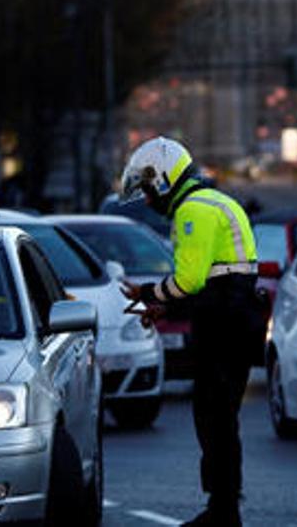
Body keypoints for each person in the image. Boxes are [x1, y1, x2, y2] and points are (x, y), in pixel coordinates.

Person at [119, 137, 264, 527]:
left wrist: (150, 293)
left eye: (149, 190)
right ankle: (223, 508)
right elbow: (215, 281)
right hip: (234, 320)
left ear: (164, 180)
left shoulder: (192, 211)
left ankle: (223, 512)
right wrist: (165, 306)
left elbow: (189, 280)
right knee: (220, 418)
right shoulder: (219, 201)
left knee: (214, 418)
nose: (148, 201)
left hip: (223, 328)